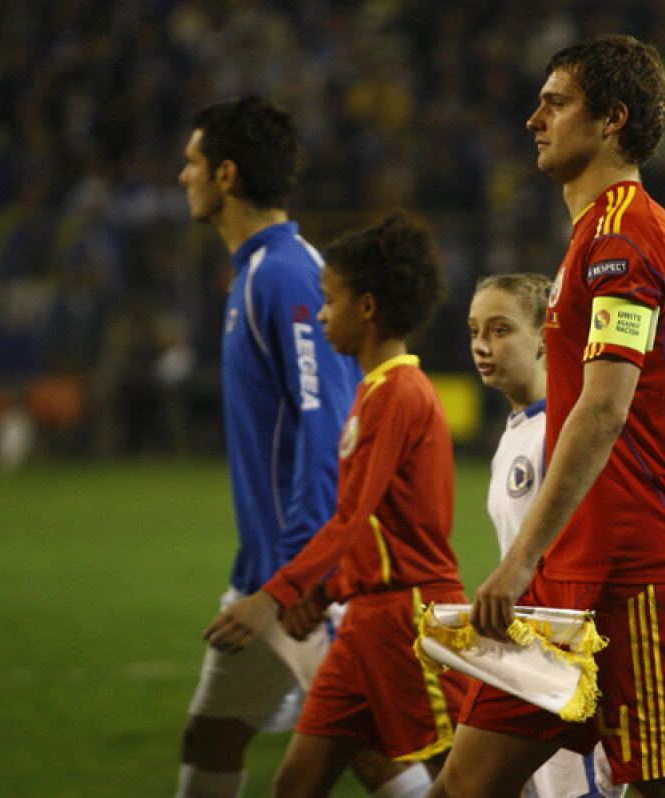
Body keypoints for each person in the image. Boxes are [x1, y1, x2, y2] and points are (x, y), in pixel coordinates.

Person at [429, 34, 665, 798]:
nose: (534, 118)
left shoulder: (626, 235)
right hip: (571, 574)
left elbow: (602, 408)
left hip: (637, 570)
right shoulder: (592, 235)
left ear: (611, 120)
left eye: (555, 103)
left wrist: (520, 556)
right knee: (463, 784)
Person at [175, 96, 421, 798]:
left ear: (225, 175)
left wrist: (303, 576)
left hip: (301, 576)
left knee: (374, 755)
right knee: (213, 737)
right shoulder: (260, 270)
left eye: (190, 164)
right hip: (264, 572)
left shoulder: (284, 274)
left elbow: (325, 425)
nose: (180, 177)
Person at [202, 211, 470, 798]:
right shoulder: (373, 391)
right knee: (295, 784)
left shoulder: (398, 392)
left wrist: (272, 599)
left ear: (367, 308)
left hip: (411, 619)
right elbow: (368, 523)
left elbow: (349, 519)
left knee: (469, 783)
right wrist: (322, 591)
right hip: (363, 624)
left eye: (329, 301)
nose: (320, 314)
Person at [468, 273, 625, 798]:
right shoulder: (518, 429)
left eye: (500, 329)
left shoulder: (561, 435)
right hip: (528, 655)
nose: (481, 345)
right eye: (474, 330)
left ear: (543, 338)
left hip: (563, 659)